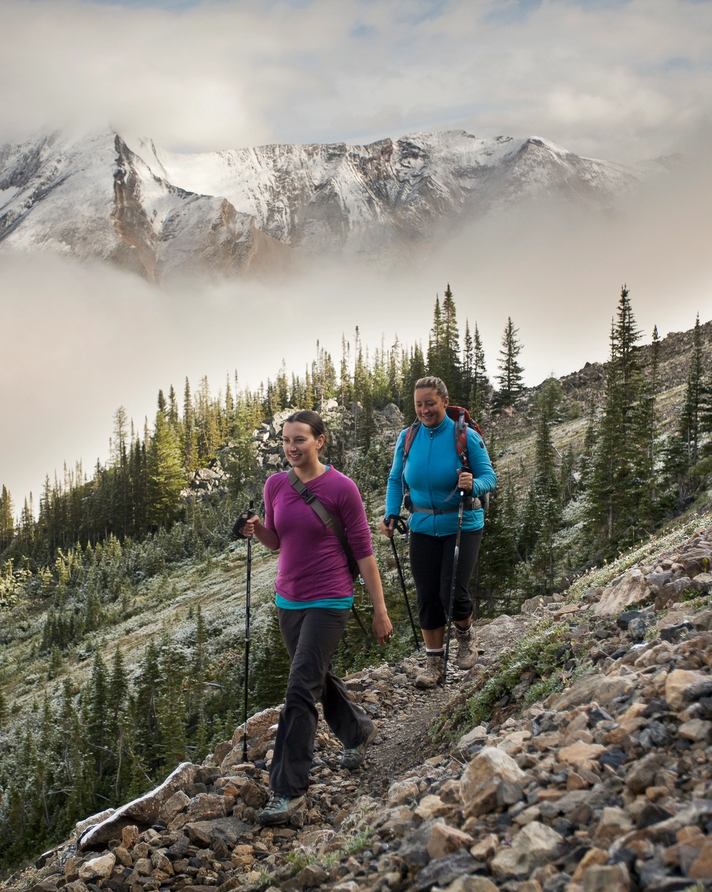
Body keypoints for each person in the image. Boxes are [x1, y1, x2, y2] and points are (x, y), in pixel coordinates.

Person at [241, 410, 393, 826]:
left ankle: (288, 791)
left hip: (330, 598)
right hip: (288, 600)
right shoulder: (275, 484)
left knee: (299, 689)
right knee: (316, 676)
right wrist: (257, 529)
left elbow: (364, 552)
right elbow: (276, 540)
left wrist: (380, 609)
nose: (291, 448)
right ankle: (358, 731)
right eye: (287, 441)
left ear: (320, 441)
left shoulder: (342, 489)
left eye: (300, 440)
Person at [379, 376, 496, 688]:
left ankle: (465, 635)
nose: (424, 410)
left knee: (452, 590)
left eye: (430, 403)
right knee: (428, 595)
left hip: (462, 523)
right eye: (419, 404)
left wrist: (474, 485)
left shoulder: (465, 436)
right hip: (421, 526)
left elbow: (489, 477)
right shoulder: (408, 437)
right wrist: (391, 513)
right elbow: (395, 480)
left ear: (445, 401)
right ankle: (434, 663)